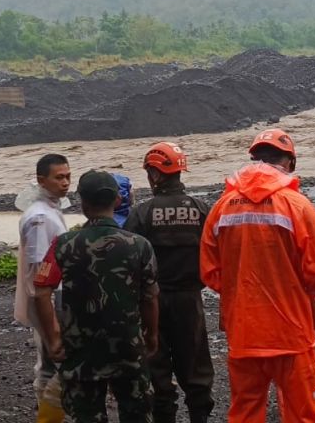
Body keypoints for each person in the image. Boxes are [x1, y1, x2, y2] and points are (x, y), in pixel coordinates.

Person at [201, 128, 315, 423]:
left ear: (254, 159)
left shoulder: (222, 207)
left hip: (243, 332)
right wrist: (309, 301)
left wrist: (240, 293)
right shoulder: (298, 206)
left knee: (245, 413)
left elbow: (210, 271)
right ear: (289, 162)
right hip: (292, 334)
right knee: (303, 415)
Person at [34, 170, 160, 423]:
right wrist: (151, 334)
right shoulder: (139, 244)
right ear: (117, 200)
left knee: (87, 415)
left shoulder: (63, 244)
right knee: (136, 413)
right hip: (127, 345)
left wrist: (53, 336)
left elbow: (41, 291)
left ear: (82, 202)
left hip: (81, 348)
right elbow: (150, 297)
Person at [125, 142, 215, 423]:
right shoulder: (202, 210)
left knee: (156, 366)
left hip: (151, 301)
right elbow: (218, 253)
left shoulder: (141, 213)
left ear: (154, 174)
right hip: (190, 300)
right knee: (196, 366)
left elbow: (128, 261)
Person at [14, 154, 73, 423]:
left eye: (68, 176)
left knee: (49, 360)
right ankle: (49, 416)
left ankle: (49, 413)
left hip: (49, 296)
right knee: (54, 360)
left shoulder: (48, 210)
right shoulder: (40, 218)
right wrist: (52, 325)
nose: (65, 182)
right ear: (41, 180)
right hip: (48, 298)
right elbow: (40, 273)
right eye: (59, 177)